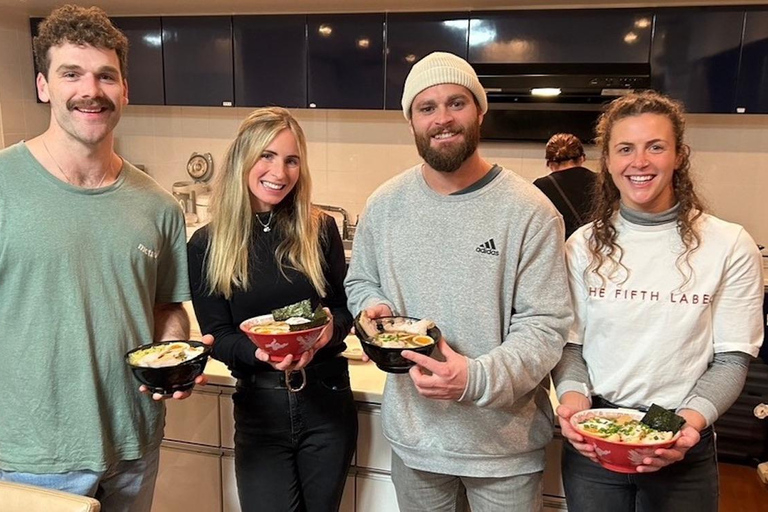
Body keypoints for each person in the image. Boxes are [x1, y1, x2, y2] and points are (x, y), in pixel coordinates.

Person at [344, 51, 573, 512]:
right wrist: (372, 306)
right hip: (416, 441)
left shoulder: (529, 211)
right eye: (426, 108)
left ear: (480, 111)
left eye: (456, 103)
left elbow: (546, 327)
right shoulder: (385, 205)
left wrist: (473, 378)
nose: (442, 119)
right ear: (411, 121)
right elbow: (360, 280)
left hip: (503, 450)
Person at [0, 5, 206, 511]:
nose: (90, 90)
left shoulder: (158, 206)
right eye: (71, 73)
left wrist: (174, 362)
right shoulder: (4, 186)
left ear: (124, 91)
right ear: (44, 86)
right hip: (31, 455)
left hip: (134, 446)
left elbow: (166, 309)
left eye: (106, 76)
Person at [552, 91, 764, 512]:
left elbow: (732, 359)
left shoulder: (729, 245)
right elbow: (570, 346)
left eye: (656, 147)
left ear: (679, 155)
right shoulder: (582, 246)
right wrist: (573, 402)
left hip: (680, 432)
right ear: (608, 160)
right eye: (625, 149)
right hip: (597, 436)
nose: (640, 162)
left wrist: (680, 428)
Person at [187, 107, 357, 512]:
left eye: (291, 159)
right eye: (267, 155)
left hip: (327, 400)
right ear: (243, 158)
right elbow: (219, 335)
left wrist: (330, 331)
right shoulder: (206, 244)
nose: (279, 172)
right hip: (259, 408)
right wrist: (259, 354)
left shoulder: (320, 229)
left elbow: (342, 306)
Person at [533, 133, 597, 239]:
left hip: (562, 251)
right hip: (602, 249)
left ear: (550, 164)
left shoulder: (540, 187)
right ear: (582, 158)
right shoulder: (604, 182)